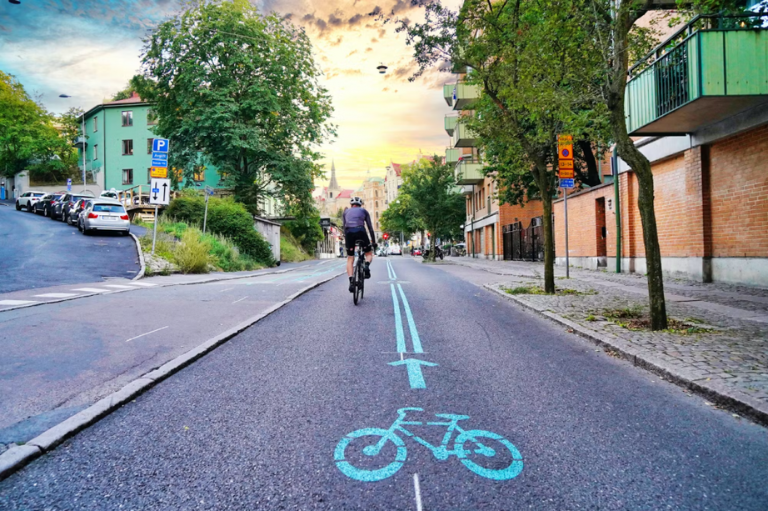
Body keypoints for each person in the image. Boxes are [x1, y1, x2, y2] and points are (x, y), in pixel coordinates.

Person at [342, 196, 376, 292]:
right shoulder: (364, 211)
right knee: (368, 253)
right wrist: (373, 241)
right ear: (360, 205)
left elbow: (344, 227)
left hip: (349, 233)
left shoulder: (345, 212)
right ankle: (366, 265)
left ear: (351, 205)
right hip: (361, 231)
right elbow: (370, 227)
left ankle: (351, 281)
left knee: (350, 258)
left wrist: (347, 240)